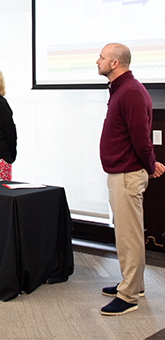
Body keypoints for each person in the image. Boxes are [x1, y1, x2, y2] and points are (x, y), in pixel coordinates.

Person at [97, 43, 165, 316]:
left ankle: (129, 296)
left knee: (130, 236)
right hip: (120, 173)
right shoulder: (121, 90)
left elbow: (141, 138)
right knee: (125, 234)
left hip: (127, 175)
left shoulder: (131, 92)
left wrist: (150, 165)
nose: (97, 61)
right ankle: (132, 284)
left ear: (114, 63)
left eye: (102, 57)